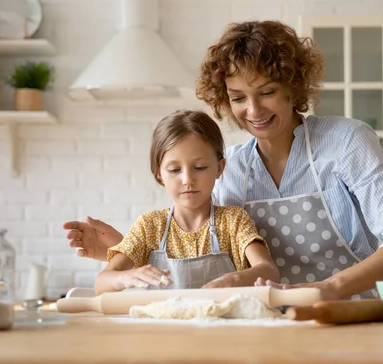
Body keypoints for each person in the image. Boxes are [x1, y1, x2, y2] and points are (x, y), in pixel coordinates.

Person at [66, 20, 383, 300]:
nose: (253, 110)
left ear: (293, 85)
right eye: (238, 97)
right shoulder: (231, 168)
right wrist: (128, 249)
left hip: (354, 315)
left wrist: (330, 288)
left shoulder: (344, 142)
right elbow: (210, 251)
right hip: (271, 325)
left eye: (267, 92)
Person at [91, 110, 279, 294]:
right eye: (174, 170)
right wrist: (126, 277)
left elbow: (269, 271)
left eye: (199, 167)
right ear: (159, 174)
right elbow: (101, 283)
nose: (187, 179)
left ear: (219, 168)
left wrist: (235, 280)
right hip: (163, 326)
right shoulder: (149, 226)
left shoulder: (233, 221)